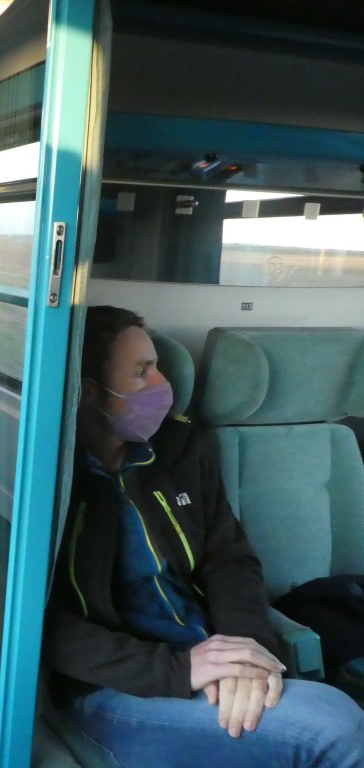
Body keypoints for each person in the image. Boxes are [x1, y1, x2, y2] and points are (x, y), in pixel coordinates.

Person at [43, 306, 364, 767]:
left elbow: (229, 558)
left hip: (208, 655)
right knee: (335, 726)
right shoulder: (48, 482)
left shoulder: (178, 451)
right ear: (90, 392)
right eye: (142, 372)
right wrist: (180, 669)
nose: (164, 386)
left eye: (158, 367)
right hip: (115, 687)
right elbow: (43, 625)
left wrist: (245, 651)